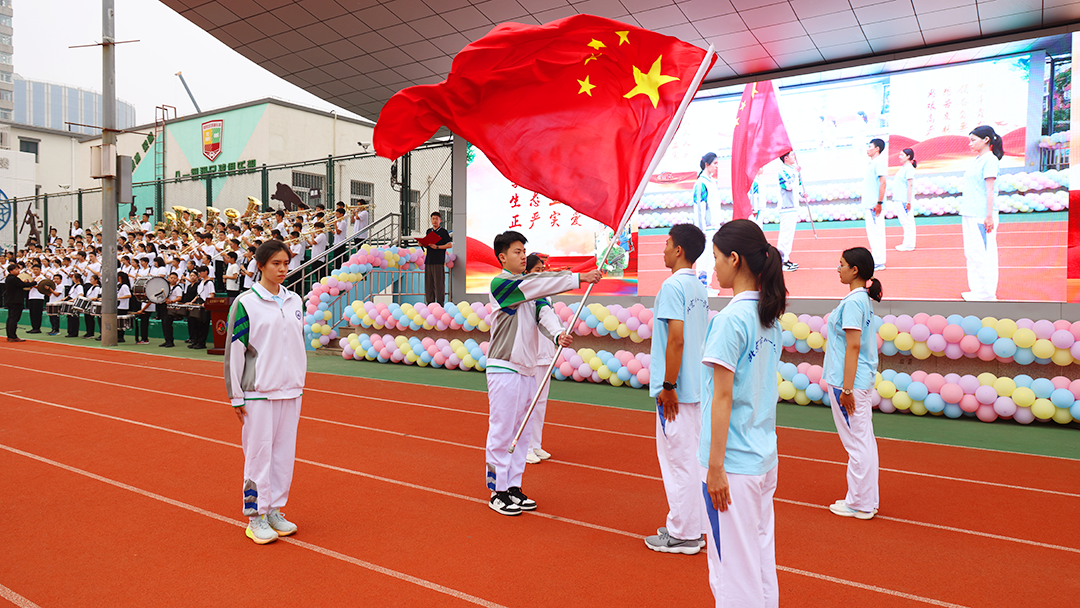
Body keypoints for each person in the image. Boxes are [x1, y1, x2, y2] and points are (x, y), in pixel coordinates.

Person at [700, 219, 786, 608]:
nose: (714, 266)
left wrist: (715, 467)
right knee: (759, 558)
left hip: (733, 463)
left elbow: (722, 398)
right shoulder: (768, 318)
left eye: (717, 257)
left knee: (732, 570)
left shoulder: (730, 321)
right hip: (762, 455)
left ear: (734, 259)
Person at [485, 230, 601, 516]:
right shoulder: (502, 284)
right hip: (504, 368)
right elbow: (537, 284)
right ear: (502, 257)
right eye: (517, 252)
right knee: (502, 431)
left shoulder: (531, 290)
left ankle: (513, 486)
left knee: (521, 433)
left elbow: (544, 313)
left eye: (524, 251)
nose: (523, 256)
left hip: (527, 369)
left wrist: (558, 334)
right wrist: (579, 278)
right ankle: (497, 491)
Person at [225, 240, 307, 545]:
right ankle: (254, 517)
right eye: (276, 263)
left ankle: (274, 510)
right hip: (257, 392)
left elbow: (296, 344)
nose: (283, 269)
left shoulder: (295, 300)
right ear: (260, 266)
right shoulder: (246, 303)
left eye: (286, 263)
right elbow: (235, 350)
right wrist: (236, 394)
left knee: (283, 456)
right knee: (259, 456)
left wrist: (298, 379)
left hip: (291, 391)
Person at [644, 224, 709, 555]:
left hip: (678, 391)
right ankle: (694, 526)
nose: (664, 249)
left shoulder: (672, 286)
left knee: (678, 462)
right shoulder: (697, 286)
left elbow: (677, 338)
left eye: (667, 243)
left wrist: (669, 385)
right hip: (696, 388)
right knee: (692, 460)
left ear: (679, 250)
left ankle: (683, 533)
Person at [823, 246, 881, 521]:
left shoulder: (854, 302)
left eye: (842, 264)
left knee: (857, 444)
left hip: (849, 383)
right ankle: (866, 500)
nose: (838, 269)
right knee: (863, 441)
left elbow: (853, 346)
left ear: (855, 270)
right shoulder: (860, 300)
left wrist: (846, 389)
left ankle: (860, 503)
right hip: (858, 380)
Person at [961, 125, 1003, 301]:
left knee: (984, 254)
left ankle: (987, 294)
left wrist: (989, 216)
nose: (970, 143)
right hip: (969, 212)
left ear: (986, 140)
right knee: (972, 253)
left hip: (981, 215)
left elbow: (990, 189)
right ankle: (977, 290)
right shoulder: (976, 160)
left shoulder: (990, 160)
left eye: (973, 140)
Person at [524, 253, 558, 466]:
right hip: (532, 355)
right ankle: (525, 446)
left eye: (542, 269)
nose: (541, 273)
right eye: (537, 270)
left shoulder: (546, 295)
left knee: (541, 402)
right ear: (527, 272)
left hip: (546, 354)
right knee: (530, 402)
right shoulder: (526, 295)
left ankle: (535, 443)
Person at [693, 153, 721, 292]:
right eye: (714, 163)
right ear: (707, 164)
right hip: (706, 228)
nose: (716, 166)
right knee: (704, 258)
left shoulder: (711, 182)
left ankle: (706, 285)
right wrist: (701, 230)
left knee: (711, 258)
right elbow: (699, 207)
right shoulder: (701, 183)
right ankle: (701, 286)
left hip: (714, 227)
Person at [776, 152, 805, 272]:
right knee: (785, 235)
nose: (794, 157)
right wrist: (796, 173)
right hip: (786, 207)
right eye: (792, 155)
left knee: (789, 235)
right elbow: (788, 186)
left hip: (794, 206)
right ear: (786, 158)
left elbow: (798, 186)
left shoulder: (793, 170)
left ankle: (786, 258)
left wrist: (803, 193)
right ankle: (781, 261)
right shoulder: (782, 171)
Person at [862, 138, 888, 270]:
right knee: (872, 233)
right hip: (870, 204)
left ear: (877, 149)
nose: (868, 149)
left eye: (870, 146)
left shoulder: (879, 163)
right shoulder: (872, 163)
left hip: (874, 205)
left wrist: (879, 203)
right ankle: (877, 258)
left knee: (876, 233)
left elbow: (883, 183)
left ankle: (879, 261)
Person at [890, 148, 918, 251]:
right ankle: (907, 243)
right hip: (899, 198)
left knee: (907, 222)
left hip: (904, 199)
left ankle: (909, 244)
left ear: (908, 157)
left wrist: (908, 201)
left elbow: (910, 185)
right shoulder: (903, 168)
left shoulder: (909, 168)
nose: (900, 157)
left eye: (902, 155)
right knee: (904, 221)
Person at [423, 211, 452, 305]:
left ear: (440, 220)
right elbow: (427, 244)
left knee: (439, 284)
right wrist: (422, 243)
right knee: (428, 284)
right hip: (429, 260)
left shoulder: (443, 232)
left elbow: (450, 244)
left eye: (436, 219)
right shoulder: (429, 231)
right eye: (433, 219)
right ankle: (430, 304)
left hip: (438, 261)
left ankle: (440, 304)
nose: (434, 221)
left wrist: (438, 247)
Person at [5, 264, 33, 342]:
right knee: (14, 319)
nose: (18, 271)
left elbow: (20, 284)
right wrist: (34, 282)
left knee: (11, 318)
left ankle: (10, 335)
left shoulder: (9, 278)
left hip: (11, 300)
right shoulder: (13, 278)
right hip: (15, 301)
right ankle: (12, 336)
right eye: (16, 269)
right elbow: (23, 285)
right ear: (11, 271)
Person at [160, 272, 183, 348]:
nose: (172, 279)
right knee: (164, 324)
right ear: (168, 279)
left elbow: (179, 298)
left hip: (171, 308)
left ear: (177, 279)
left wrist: (171, 301)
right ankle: (166, 340)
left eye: (174, 278)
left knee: (167, 324)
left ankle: (170, 341)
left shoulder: (178, 288)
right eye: (171, 278)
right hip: (165, 307)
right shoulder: (166, 287)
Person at [26, 264, 45, 334]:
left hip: (38, 297)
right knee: (32, 313)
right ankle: (34, 327)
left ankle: (37, 328)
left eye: (37, 269)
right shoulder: (33, 278)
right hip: (31, 296)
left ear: (40, 270)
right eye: (34, 269)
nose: (35, 271)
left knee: (37, 313)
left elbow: (41, 287)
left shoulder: (41, 278)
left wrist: (32, 284)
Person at [116, 272, 132, 343]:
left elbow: (128, 295)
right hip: (118, 306)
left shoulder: (124, 286)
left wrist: (119, 297)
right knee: (117, 322)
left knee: (121, 323)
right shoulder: (119, 285)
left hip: (123, 306)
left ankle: (120, 337)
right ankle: (118, 336)